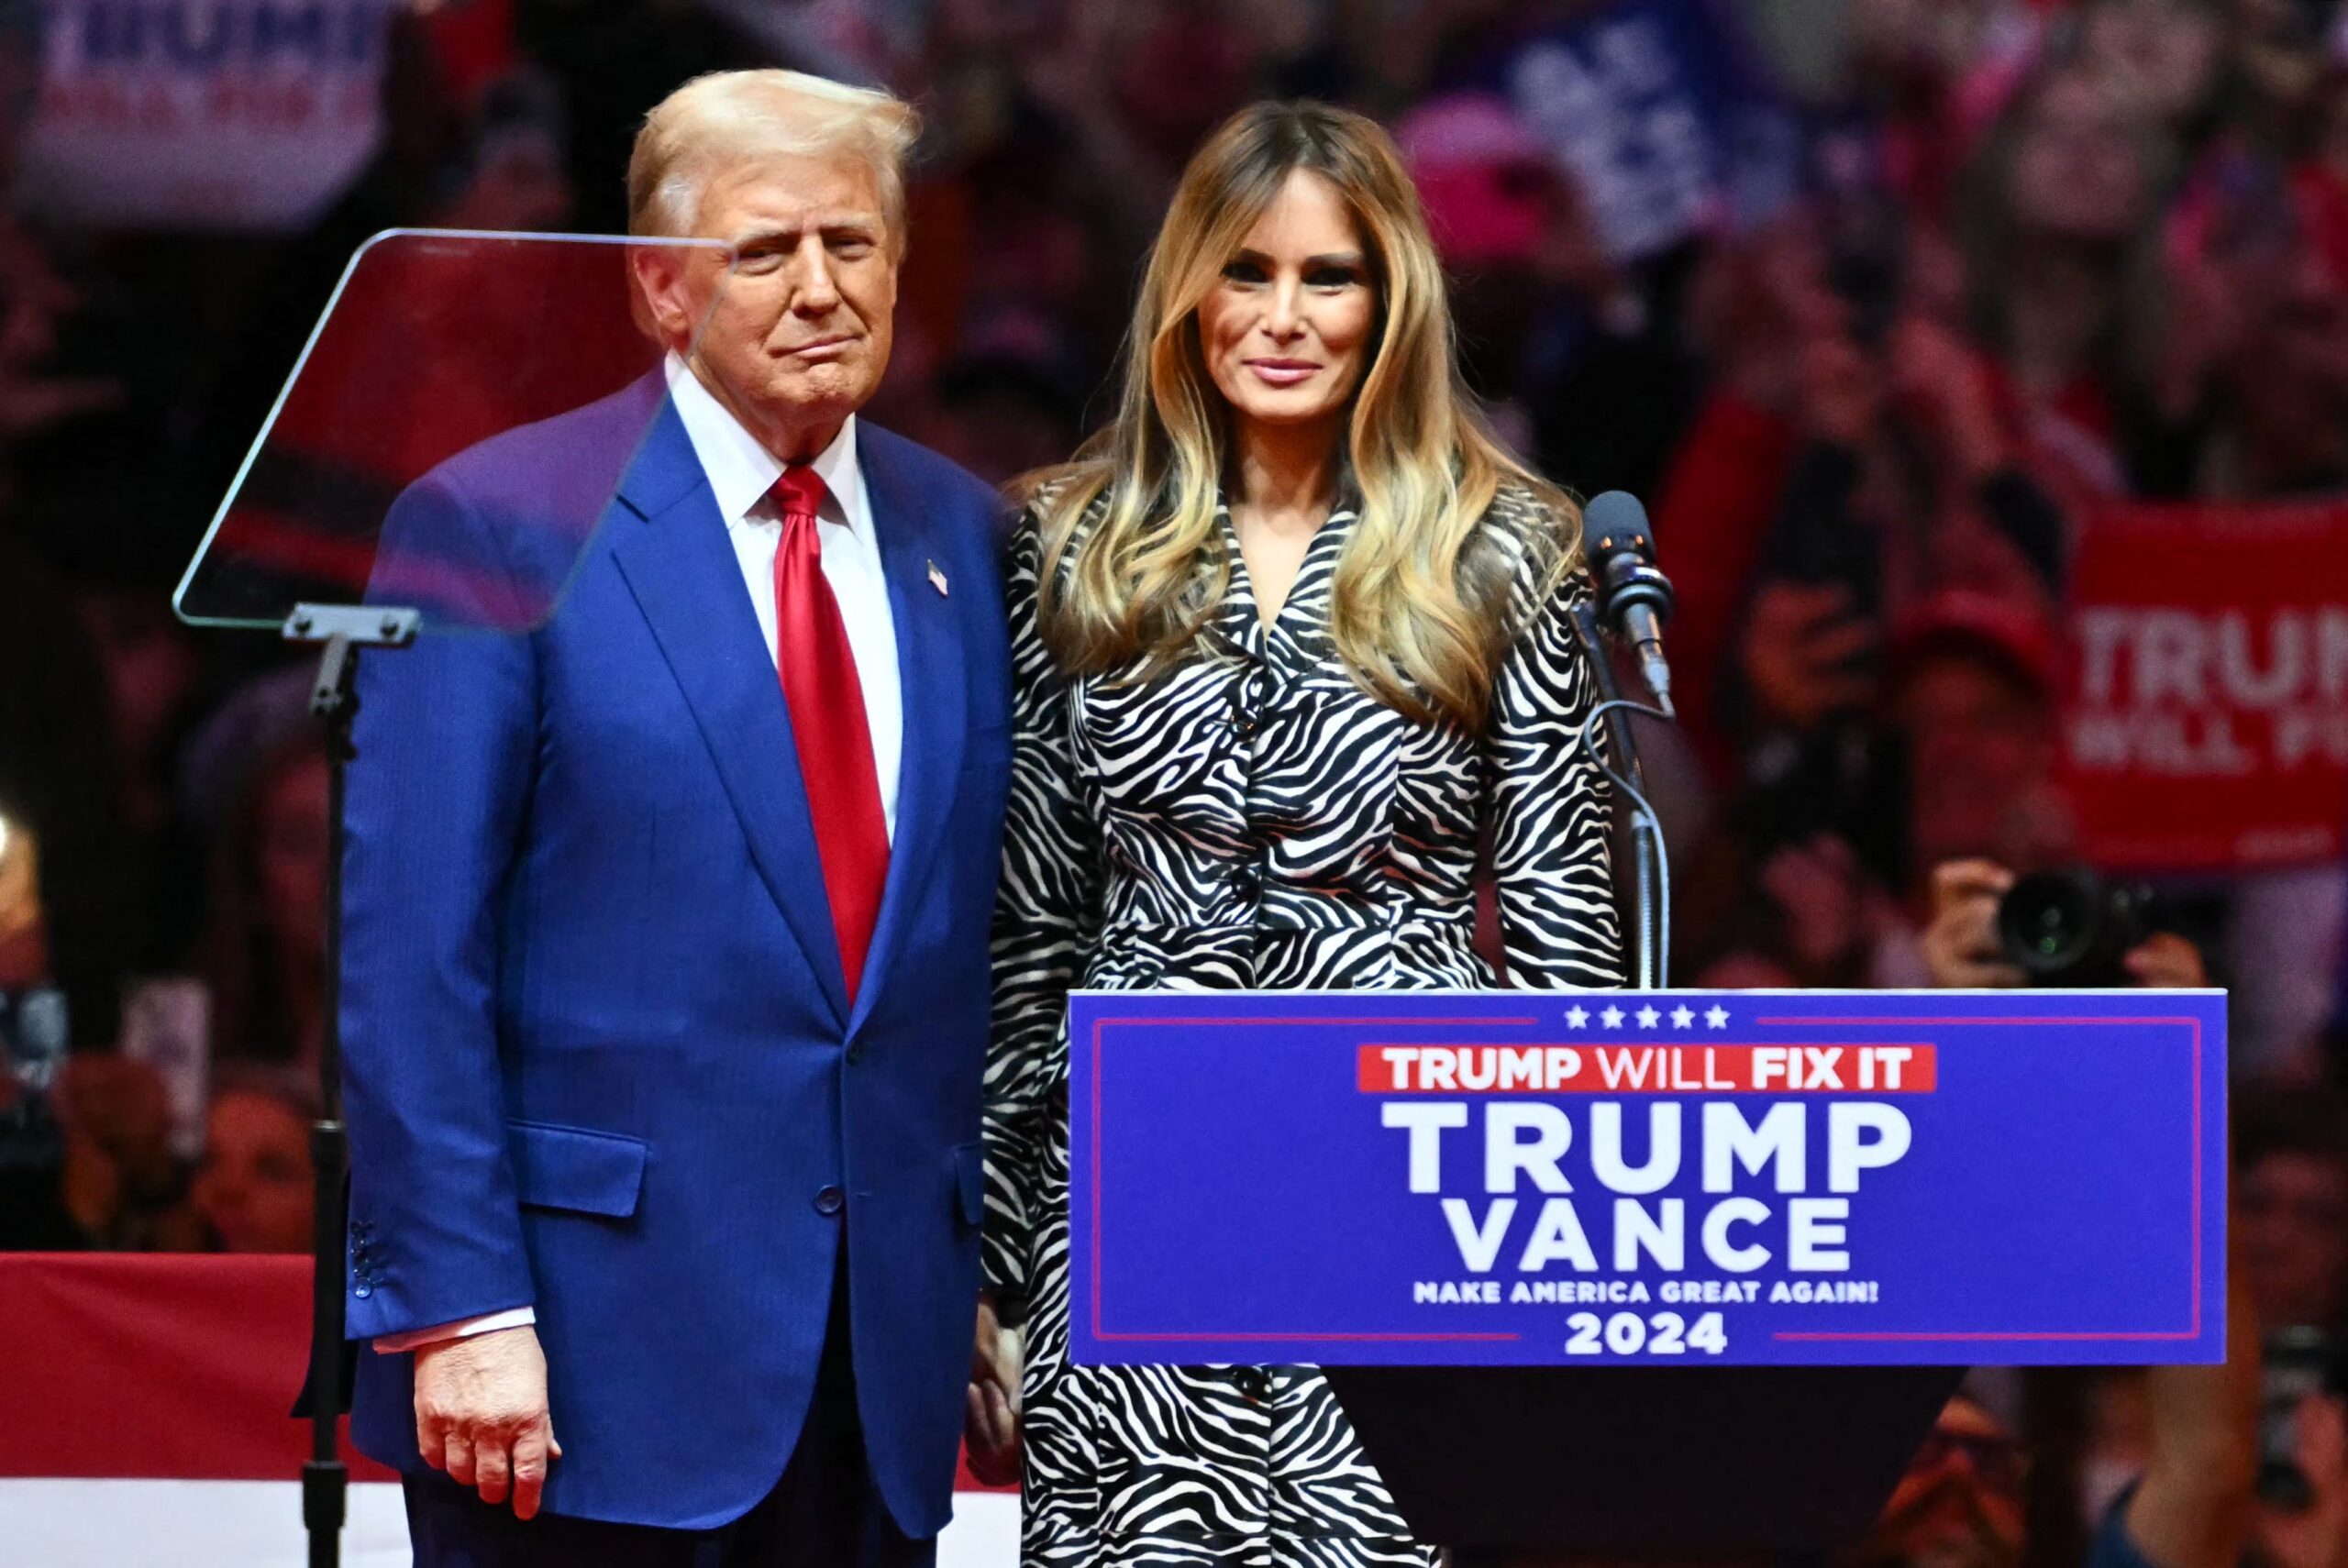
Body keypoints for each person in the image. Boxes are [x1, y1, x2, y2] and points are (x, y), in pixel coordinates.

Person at [338, 69, 1012, 1567]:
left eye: (855, 244)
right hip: (575, 1371)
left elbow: (976, 948)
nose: (822, 289)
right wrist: (462, 1309)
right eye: (766, 252)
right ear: (658, 286)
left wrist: (991, 1268)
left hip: (877, 1374)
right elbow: (407, 961)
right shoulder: (499, 521)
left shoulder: (972, 535)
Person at [978, 99, 1623, 1567]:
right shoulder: (1065, 548)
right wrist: (998, 1263)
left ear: (1392, 299)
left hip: (1409, 1167)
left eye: (1327, 277)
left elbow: (1566, 949)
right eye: (1244, 271)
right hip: (1135, 1179)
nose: (1281, 315)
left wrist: (1549, 1262)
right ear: (1186, 289)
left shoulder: (1506, 549)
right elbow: (1030, 935)